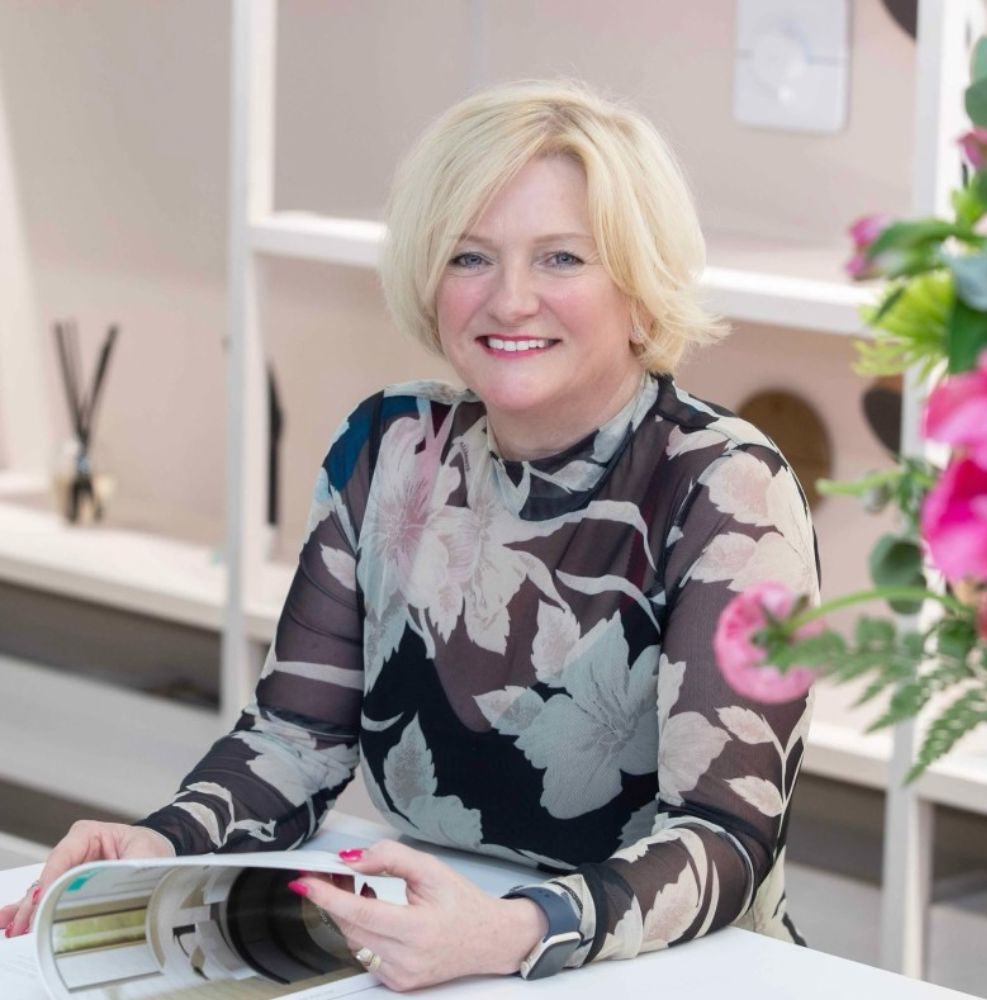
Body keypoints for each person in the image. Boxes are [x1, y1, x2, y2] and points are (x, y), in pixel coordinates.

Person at [1, 79, 819, 989]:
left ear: (640, 285)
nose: (510, 300)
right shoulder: (392, 444)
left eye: (561, 258)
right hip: (437, 955)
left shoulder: (726, 485)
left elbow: (725, 833)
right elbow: (294, 740)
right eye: (470, 257)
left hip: (672, 973)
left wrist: (510, 933)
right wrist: (160, 842)